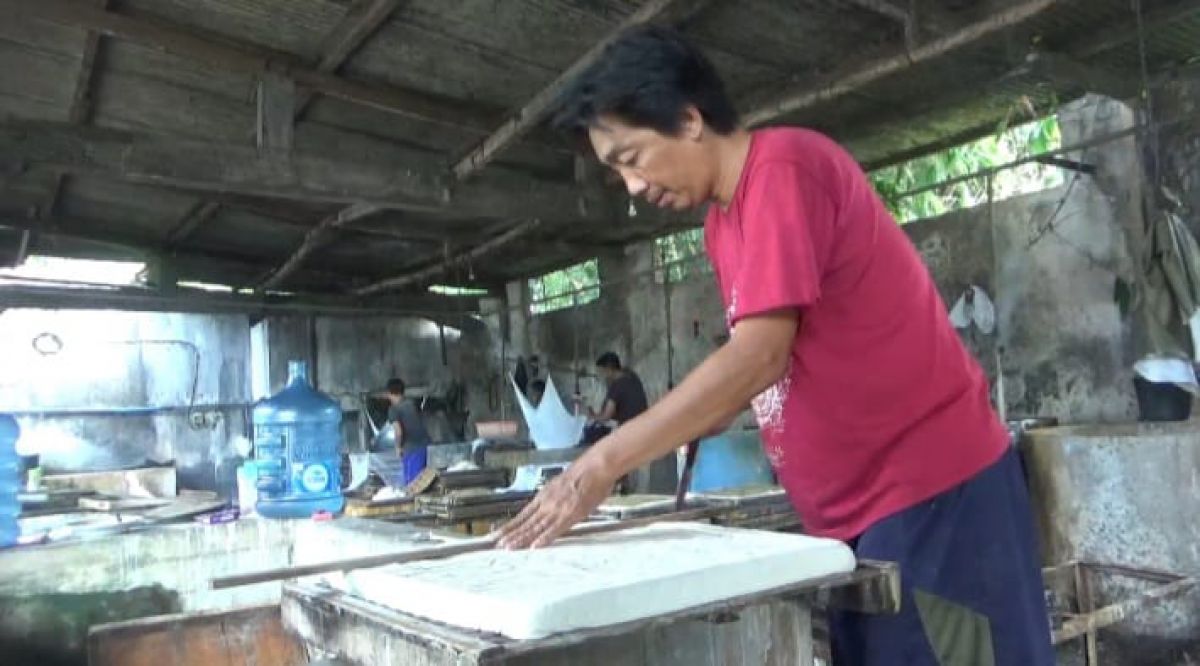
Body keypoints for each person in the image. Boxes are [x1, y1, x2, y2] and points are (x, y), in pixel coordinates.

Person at [497, 26, 1053, 666]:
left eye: (631, 157)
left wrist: (599, 466)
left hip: (931, 493)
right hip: (853, 519)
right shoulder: (721, 225)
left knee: (967, 656)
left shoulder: (785, 169)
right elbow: (750, 372)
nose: (632, 187)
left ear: (688, 118)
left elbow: (761, 357)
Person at [384, 378, 431, 485]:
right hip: (423, 446)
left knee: (412, 484)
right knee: (422, 482)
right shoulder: (413, 404)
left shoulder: (394, 409)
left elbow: (398, 431)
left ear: (389, 393)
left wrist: (398, 447)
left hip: (410, 449)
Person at [588, 352, 648, 425]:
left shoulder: (616, 386)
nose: (602, 376)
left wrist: (592, 416)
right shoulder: (632, 376)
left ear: (608, 369)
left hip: (629, 429)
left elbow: (606, 416)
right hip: (645, 424)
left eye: (602, 372)